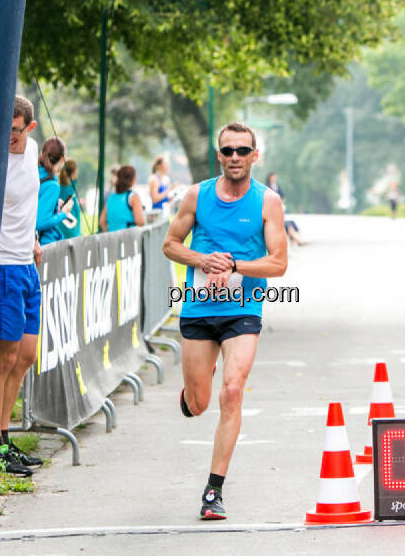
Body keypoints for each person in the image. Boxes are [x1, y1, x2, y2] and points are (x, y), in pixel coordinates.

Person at [162, 121, 288, 520]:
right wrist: (203, 260)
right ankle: (192, 391)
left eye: (242, 150)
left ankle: (213, 491)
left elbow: (279, 264)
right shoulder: (196, 196)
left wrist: (236, 264)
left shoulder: (267, 202)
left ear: (255, 155)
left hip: (243, 310)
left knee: (232, 392)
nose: (235, 157)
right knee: (200, 405)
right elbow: (170, 244)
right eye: (228, 151)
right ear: (218, 155)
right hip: (199, 307)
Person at [0, 95, 44, 477]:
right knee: (2, 356)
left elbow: (24, 204)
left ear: (29, 129)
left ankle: (4, 438)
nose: (9, 137)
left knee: (25, 357)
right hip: (1, 265)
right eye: (4, 128)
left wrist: (33, 237)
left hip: (26, 263)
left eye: (16, 131)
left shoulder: (32, 149)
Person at [36, 137, 75, 246]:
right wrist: (64, 213)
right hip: (45, 244)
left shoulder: (33, 175)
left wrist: (55, 205)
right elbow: (40, 222)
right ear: (63, 159)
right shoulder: (52, 186)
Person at [100, 165, 144, 231]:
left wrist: (108, 233)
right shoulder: (133, 197)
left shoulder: (111, 197)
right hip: (129, 238)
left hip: (112, 238)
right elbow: (140, 222)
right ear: (133, 179)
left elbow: (102, 222)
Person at [267, 172, 304, 246]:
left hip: (280, 210)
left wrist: (280, 201)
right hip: (274, 217)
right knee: (288, 226)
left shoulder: (277, 186)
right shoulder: (267, 187)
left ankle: (300, 239)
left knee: (292, 223)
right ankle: (298, 240)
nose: (275, 178)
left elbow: (283, 196)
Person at [58, 158, 82, 239]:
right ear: (74, 172)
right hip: (71, 231)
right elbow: (73, 212)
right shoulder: (70, 190)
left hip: (61, 231)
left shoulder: (60, 188)